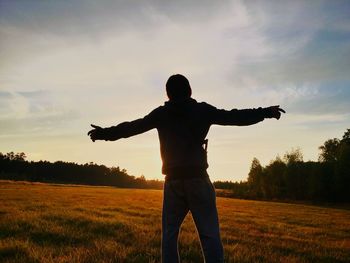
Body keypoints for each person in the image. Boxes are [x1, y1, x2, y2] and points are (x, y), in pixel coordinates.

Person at [88, 74, 285, 263]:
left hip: (173, 182)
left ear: (168, 94)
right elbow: (234, 117)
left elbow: (131, 127)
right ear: (190, 91)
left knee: (169, 237)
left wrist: (103, 133)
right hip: (198, 179)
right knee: (209, 235)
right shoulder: (202, 110)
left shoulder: (161, 114)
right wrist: (265, 112)